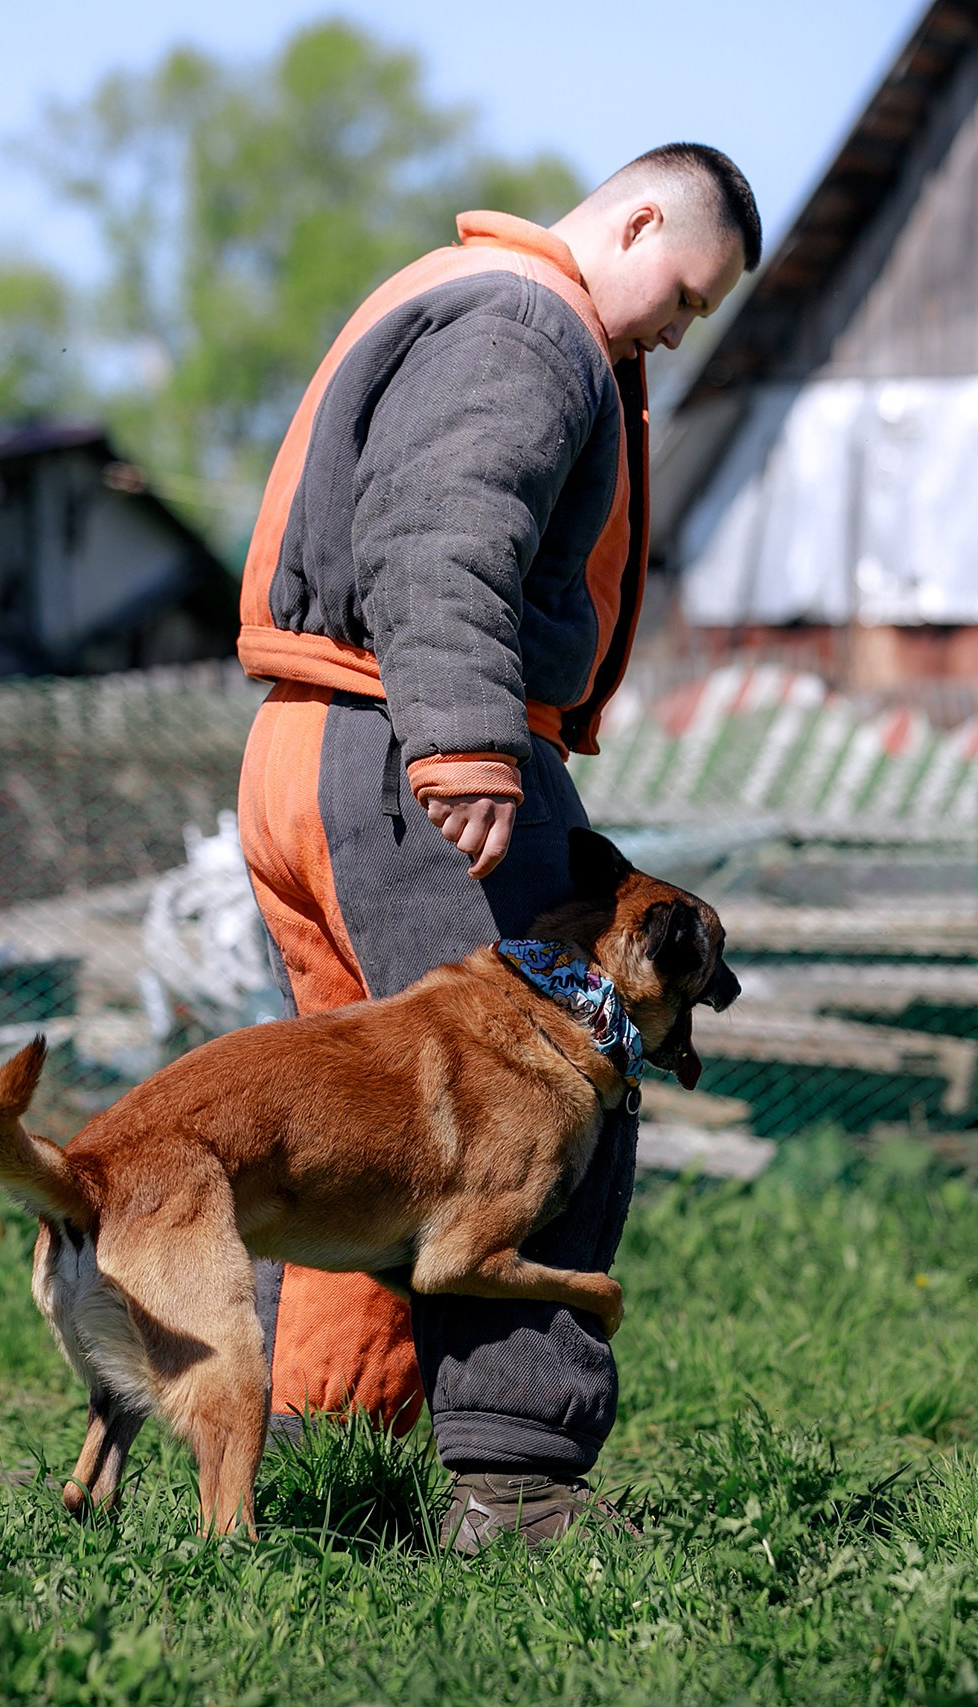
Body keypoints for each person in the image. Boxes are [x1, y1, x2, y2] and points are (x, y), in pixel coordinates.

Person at [235, 143, 761, 1549]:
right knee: (548, 1099)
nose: (671, 328)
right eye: (684, 293)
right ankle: (519, 1487)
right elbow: (447, 522)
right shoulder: (533, 322)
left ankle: (323, 1465)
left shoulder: (457, 291)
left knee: (370, 1128)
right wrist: (467, 733)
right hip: (417, 751)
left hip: (319, 743)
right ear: (638, 215)